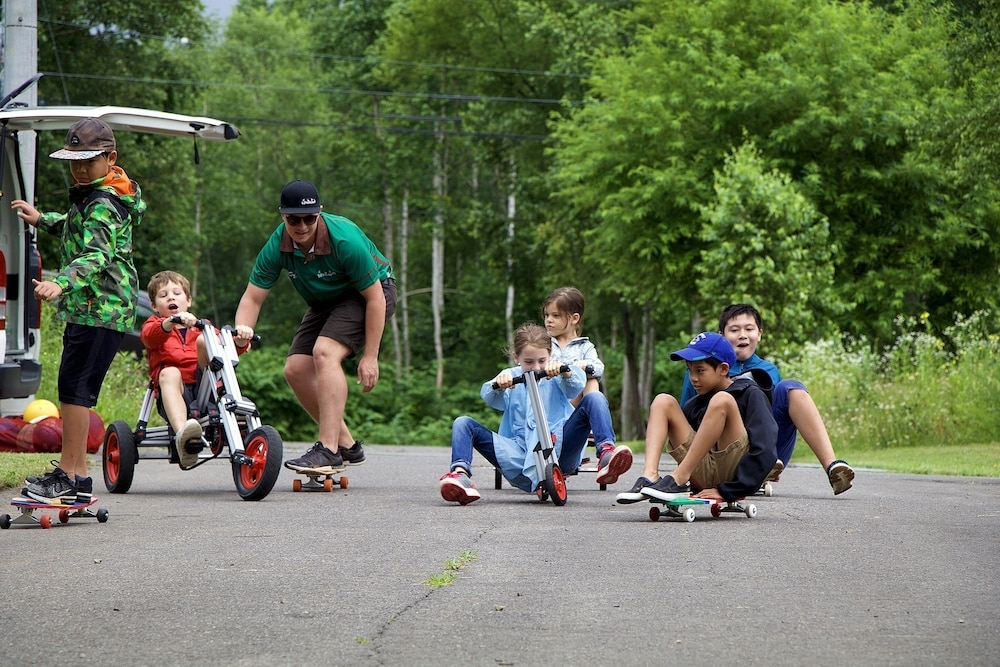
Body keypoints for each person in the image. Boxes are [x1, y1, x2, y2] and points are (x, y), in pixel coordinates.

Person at [11, 118, 146, 505]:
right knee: (74, 392)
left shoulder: (103, 203)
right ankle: (75, 476)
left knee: (76, 393)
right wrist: (44, 220)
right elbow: (77, 228)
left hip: (99, 310)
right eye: (74, 161)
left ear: (110, 158)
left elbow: (95, 254)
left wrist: (61, 282)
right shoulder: (99, 195)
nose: (80, 169)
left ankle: (70, 477)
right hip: (92, 310)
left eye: (88, 161)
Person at [234, 179, 396, 474]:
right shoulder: (278, 244)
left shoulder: (344, 239)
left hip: (372, 294)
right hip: (326, 302)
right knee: (295, 369)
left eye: (309, 218)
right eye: (294, 219)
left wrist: (370, 356)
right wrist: (241, 332)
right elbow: (253, 297)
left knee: (324, 352)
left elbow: (375, 298)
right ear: (283, 216)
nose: (302, 226)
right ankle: (346, 444)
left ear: (319, 214)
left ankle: (328, 449)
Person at [439, 323, 631, 505]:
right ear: (516, 357)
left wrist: (564, 372)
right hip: (519, 456)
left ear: (550, 355)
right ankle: (460, 475)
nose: (536, 367)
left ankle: (606, 454)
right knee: (463, 423)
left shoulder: (555, 374)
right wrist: (499, 385)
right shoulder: (512, 375)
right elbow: (489, 396)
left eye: (542, 360)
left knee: (594, 398)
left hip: (561, 451)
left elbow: (575, 385)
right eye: (528, 362)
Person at [680, 304, 854, 495]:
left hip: (765, 446)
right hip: (723, 453)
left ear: (760, 334)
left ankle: (831, 466)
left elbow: (769, 420)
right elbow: (686, 422)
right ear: (721, 335)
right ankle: (753, 470)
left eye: (749, 329)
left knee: (791, 388)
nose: (742, 335)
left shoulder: (768, 371)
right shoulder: (700, 371)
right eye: (734, 330)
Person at [616, 332, 778, 503]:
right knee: (663, 401)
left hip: (733, 474)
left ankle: (678, 478)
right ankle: (650, 476)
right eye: (689, 370)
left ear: (723, 369)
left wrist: (730, 490)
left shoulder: (750, 394)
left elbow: (765, 449)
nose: (693, 378)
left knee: (722, 400)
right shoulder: (695, 404)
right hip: (703, 473)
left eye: (700, 371)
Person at [141, 270, 251, 467]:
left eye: (177, 293)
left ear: (188, 300)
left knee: (205, 341)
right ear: (154, 306)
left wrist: (241, 340)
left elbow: (226, 349)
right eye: (163, 295)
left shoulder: (204, 327)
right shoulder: (154, 325)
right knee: (170, 372)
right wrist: (170, 322)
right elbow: (150, 337)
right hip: (175, 393)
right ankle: (184, 434)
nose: (171, 297)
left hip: (206, 390)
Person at [542, 286, 630, 481]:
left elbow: (598, 367)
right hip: (545, 418)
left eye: (555, 315)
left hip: (571, 422)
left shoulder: (585, 347)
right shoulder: (542, 344)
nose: (548, 320)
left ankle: (606, 452)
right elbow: (525, 363)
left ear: (574, 318)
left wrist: (581, 366)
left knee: (591, 382)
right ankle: (598, 433)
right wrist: (545, 366)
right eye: (546, 315)